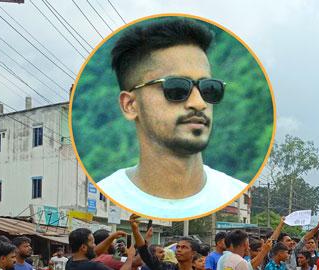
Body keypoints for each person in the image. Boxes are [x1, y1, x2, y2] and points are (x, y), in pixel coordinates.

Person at [97, 17, 245, 219]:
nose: (198, 103)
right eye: (177, 88)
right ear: (130, 105)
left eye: (209, 89)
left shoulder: (233, 191)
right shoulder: (109, 192)